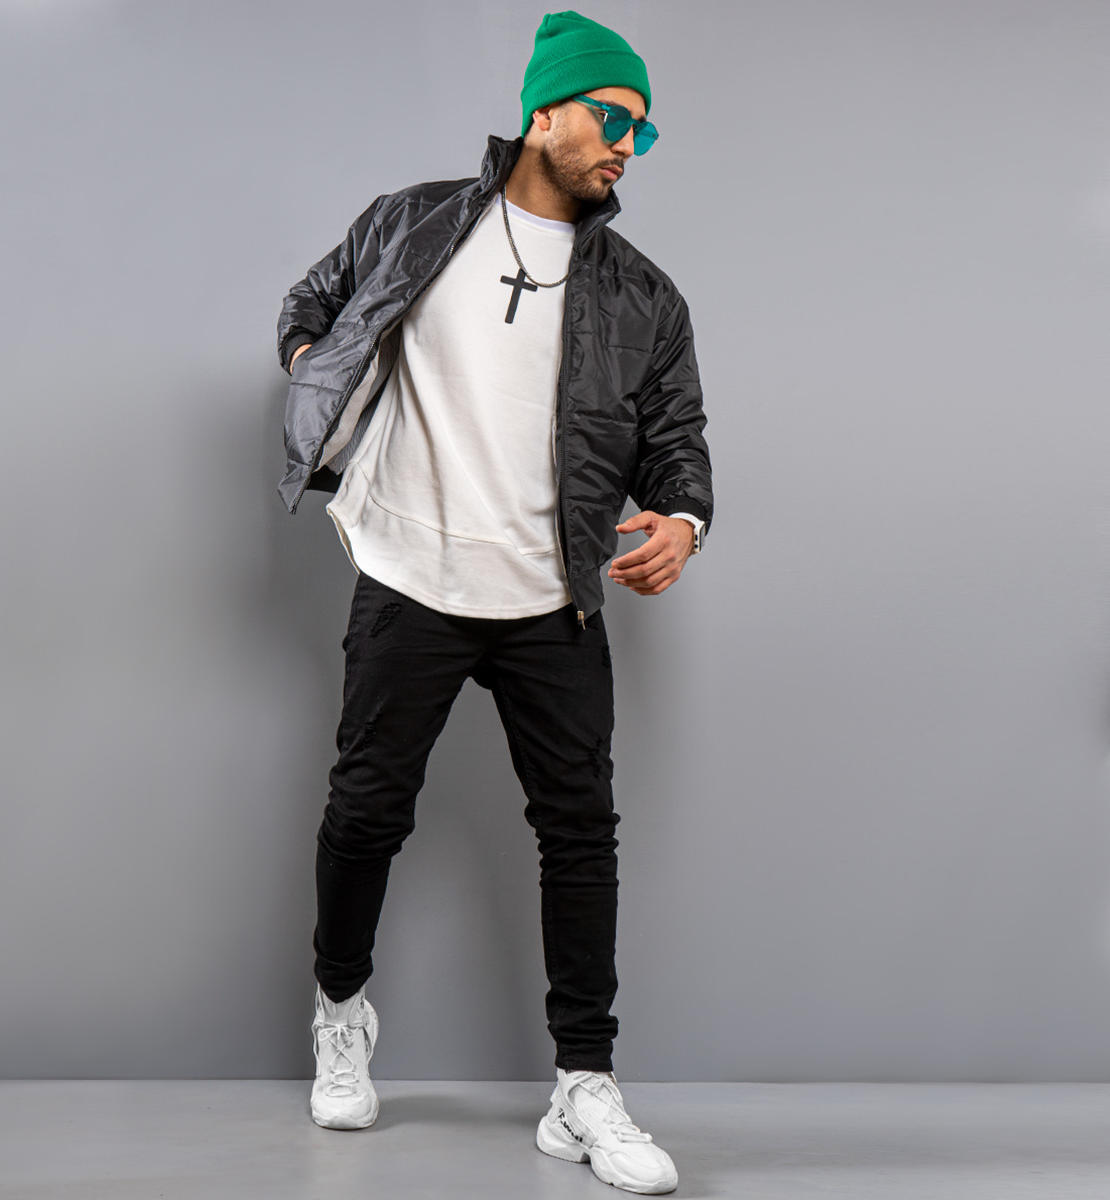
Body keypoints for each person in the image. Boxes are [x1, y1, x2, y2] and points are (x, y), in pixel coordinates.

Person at [275, 10, 713, 1195]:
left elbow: (676, 440)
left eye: (643, 130)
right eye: (613, 117)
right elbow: (312, 310)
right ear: (544, 111)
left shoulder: (643, 296)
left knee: (580, 833)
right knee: (366, 810)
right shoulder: (412, 222)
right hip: (409, 573)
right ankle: (341, 1010)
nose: (628, 145)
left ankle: (584, 1086)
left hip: (550, 596)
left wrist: (683, 519)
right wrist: (327, 395)